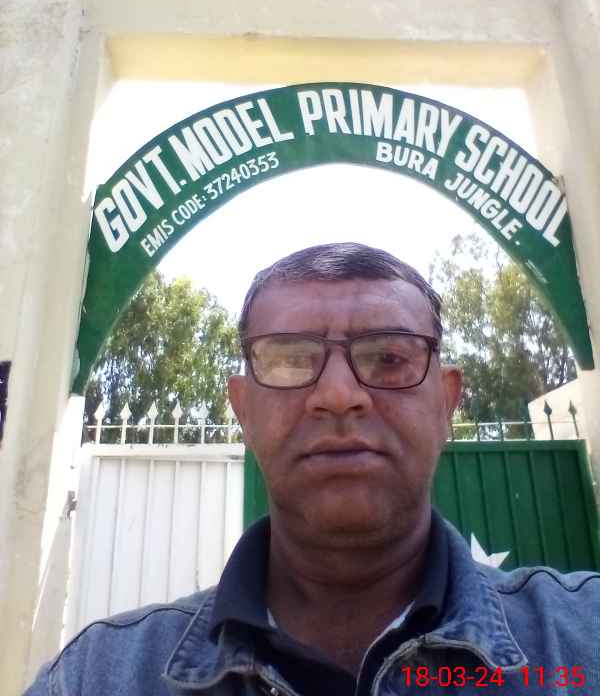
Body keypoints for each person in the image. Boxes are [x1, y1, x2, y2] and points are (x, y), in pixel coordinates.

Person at [26, 242, 600, 695]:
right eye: (291, 359)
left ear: (446, 402)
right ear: (243, 410)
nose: (339, 396)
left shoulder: (583, 641)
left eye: (389, 357)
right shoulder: (93, 679)